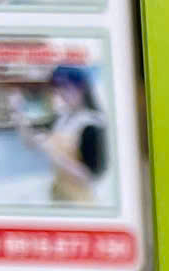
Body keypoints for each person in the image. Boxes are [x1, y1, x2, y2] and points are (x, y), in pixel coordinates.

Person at [19, 63, 108, 207]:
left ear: (81, 88)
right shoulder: (62, 118)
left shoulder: (93, 124)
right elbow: (30, 142)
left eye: (65, 88)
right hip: (58, 196)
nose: (60, 94)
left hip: (80, 203)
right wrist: (18, 115)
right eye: (58, 88)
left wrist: (52, 152)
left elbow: (90, 177)